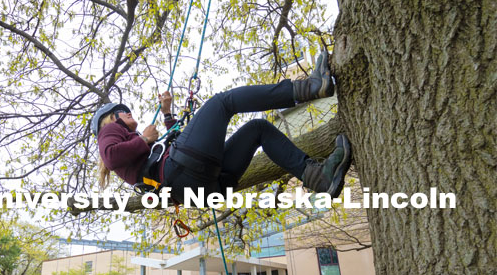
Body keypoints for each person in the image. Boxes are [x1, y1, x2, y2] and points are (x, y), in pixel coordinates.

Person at [92, 50, 351, 202]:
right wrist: (144, 139)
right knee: (222, 103)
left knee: (257, 129)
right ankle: (308, 88)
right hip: (182, 173)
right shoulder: (111, 133)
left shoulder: (136, 157)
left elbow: (171, 144)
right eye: (123, 112)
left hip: (203, 186)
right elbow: (111, 156)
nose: (128, 113)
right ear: (111, 118)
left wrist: (168, 114)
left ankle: (317, 177)